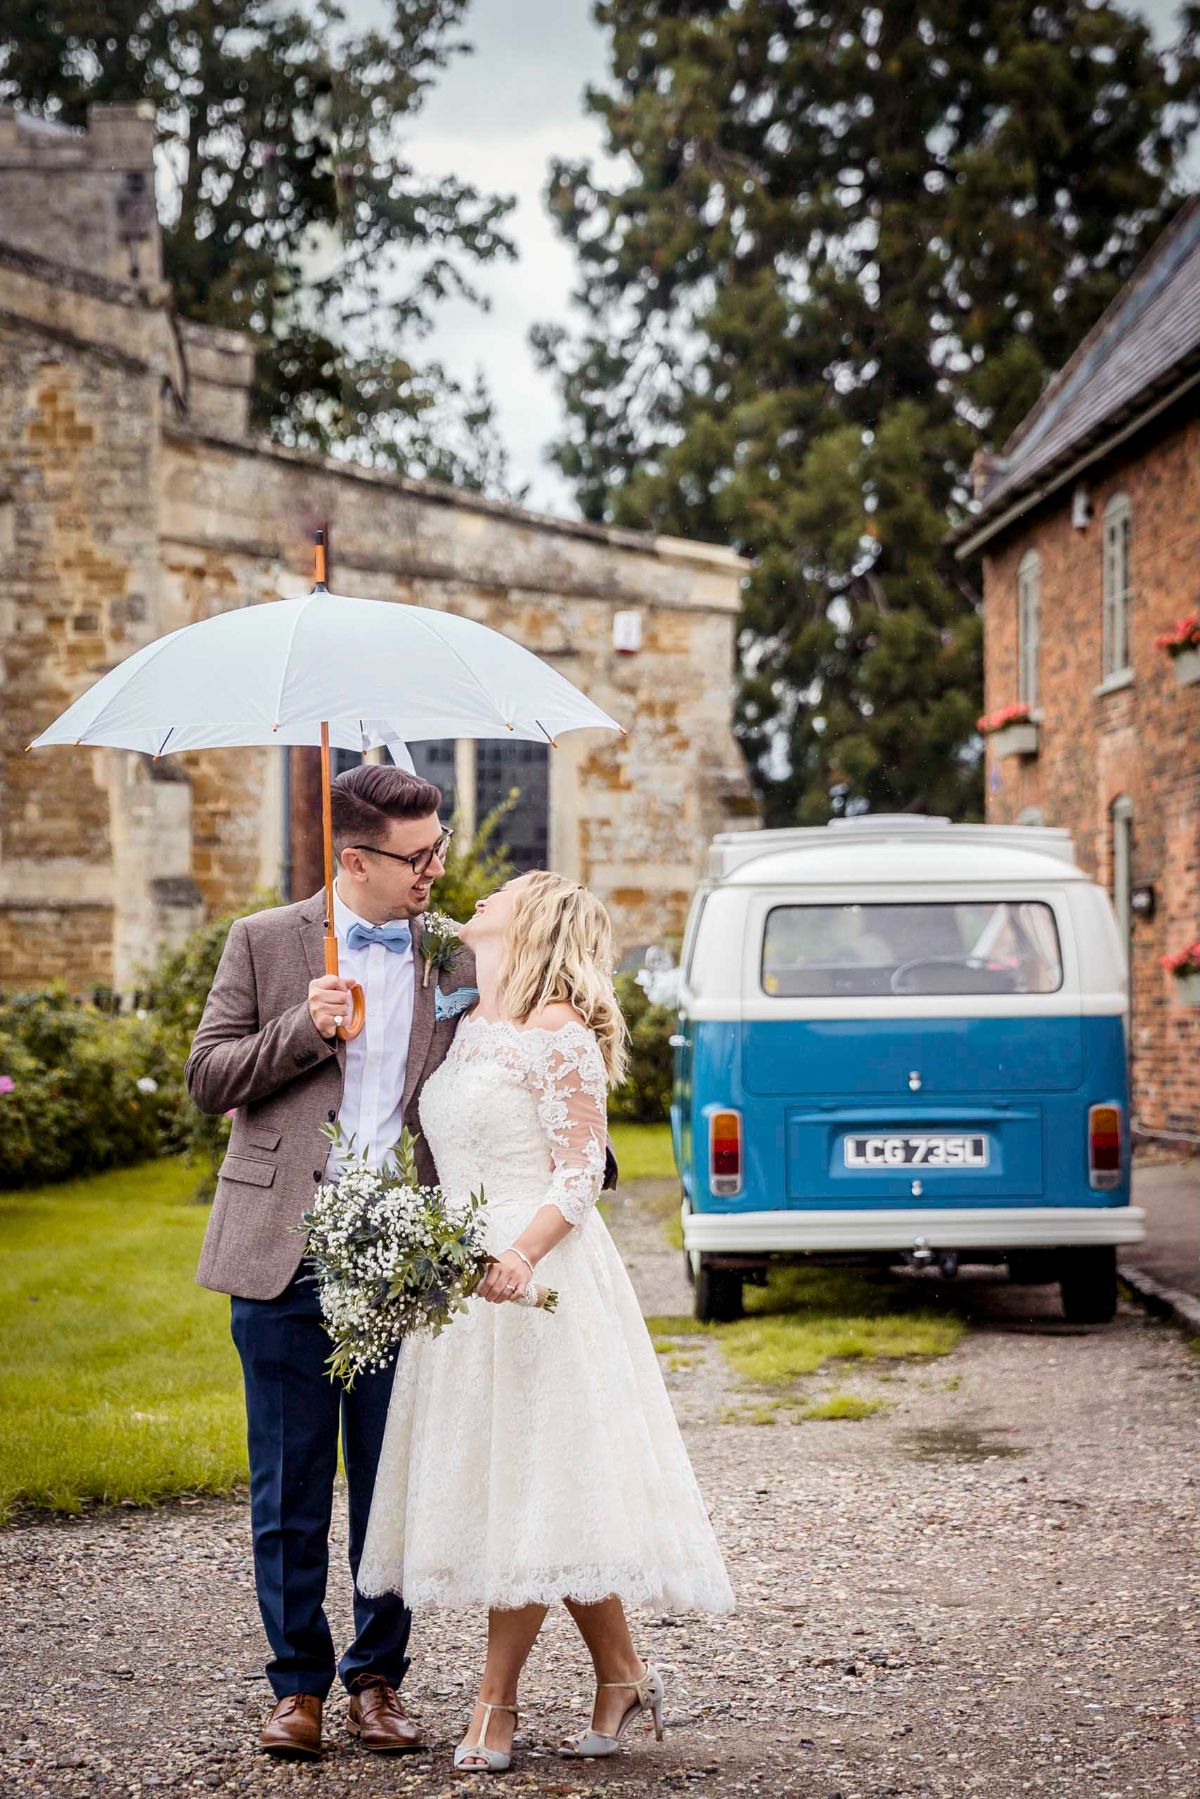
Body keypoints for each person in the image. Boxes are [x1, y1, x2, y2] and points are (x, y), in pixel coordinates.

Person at [356, 869, 734, 1774]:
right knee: (532, 1492)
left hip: (536, 1278)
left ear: (533, 923)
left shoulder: (559, 1033)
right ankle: (622, 1673)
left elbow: (579, 1172)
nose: (481, 895)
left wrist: (517, 1254)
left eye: (505, 892)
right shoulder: (472, 1024)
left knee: (524, 1494)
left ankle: (496, 1704)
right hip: (463, 1288)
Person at [185, 764, 476, 1760]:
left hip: (399, 1251)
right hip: (283, 1249)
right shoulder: (264, 941)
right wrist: (302, 1027)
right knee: (289, 1484)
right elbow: (207, 1075)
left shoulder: (452, 950)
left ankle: (378, 1680)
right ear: (354, 858)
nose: (435, 867)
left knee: (391, 1483)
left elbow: (493, 1075)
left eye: (438, 845)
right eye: (417, 854)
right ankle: (297, 1683)